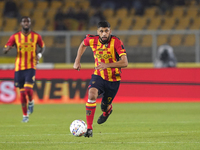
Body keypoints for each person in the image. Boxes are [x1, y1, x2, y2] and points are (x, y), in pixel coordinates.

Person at [73, 21, 128, 137]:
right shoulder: (92, 40)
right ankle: (89, 128)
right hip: (98, 75)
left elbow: (125, 62)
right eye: (101, 31)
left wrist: (107, 65)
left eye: (106, 31)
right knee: (91, 94)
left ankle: (107, 111)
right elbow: (83, 44)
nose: (104, 34)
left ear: (110, 31)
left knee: (104, 106)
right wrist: (77, 60)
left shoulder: (116, 42)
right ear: (98, 32)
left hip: (113, 79)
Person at [3, 16, 45, 123]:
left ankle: (31, 101)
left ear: (30, 23)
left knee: (27, 89)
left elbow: (42, 46)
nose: (26, 23)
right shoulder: (15, 36)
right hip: (19, 68)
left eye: (28, 21)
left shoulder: (36, 36)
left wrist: (39, 55)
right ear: (21, 23)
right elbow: (5, 48)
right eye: (24, 21)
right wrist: (7, 49)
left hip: (30, 67)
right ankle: (25, 115)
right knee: (21, 94)